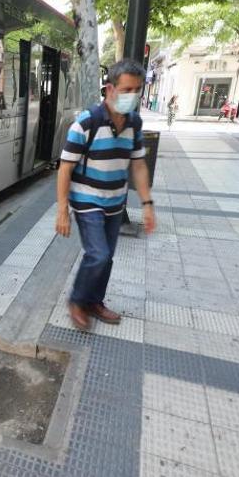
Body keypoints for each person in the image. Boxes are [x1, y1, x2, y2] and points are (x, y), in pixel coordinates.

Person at [55, 59, 156, 331]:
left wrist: (147, 204)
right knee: (98, 254)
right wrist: (63, 209)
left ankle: (94, 301)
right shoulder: (86, 122)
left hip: (115, 200)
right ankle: (77, 301)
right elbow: (65, 167)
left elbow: (138, 165)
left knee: (107, 256)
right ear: (110, 89)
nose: (131, 96)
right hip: (87, 199)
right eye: (126, 90)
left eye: (137, 90)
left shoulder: (134, 123)